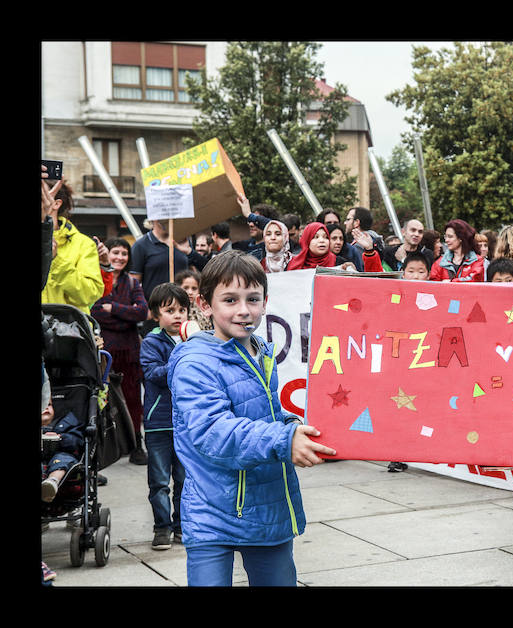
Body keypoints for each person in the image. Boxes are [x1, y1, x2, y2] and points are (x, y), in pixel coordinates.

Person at [168, 250, 337, 586]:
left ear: (265, 301)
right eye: (230, 299)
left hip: (266, 506)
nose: (244, 310)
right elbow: (214, 431)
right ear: (205, 305)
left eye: (253, 299)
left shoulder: (259, 350)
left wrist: (292, 426)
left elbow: (265, 412)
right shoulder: (194, 362)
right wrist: (283, 440)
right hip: (211, 510)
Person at [90, 237, 151, 464]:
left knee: (133, 400)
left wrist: (113, 308)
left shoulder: (134, 284)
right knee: (101, 400)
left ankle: (136, 444)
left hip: (129, 352)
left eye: (124, 254)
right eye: (115, 252)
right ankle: (103, 448)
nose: (119, 258)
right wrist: (125, 315)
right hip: (104, 352)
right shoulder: (97, 280)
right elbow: (95, 311)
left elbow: (142, 312)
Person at [140, 283, 190, 550]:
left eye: (182, 310)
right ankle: (162, 528)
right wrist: (180, 361)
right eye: (170, 310)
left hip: (186, 423)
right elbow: (153, 374)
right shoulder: (152, 342)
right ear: (156, 315)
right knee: (159, 481)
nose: (178, 315)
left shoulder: (191, 340)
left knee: (184, 478)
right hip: (158, 423)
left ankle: (182, 525)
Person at [41, 178, 105, 314]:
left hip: (66, 331)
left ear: (56, 204)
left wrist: (56, 260)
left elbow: (89, 294)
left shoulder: (84, 244)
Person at [130, 219, 190, 327]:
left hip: (182, 313)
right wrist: (143, 309)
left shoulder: (183, 241)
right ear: (153, 219)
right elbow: (133, 284)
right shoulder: (141, 245)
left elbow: (193, 273)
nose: (166, 220)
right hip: (155, 315)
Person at [41, 398, 86, 502]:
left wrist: (61, 437)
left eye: (49, 404)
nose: (46, 407)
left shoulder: (67, 422)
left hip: (61, 454)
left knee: (61, 460)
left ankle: (52, 482)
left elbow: (76, 440)